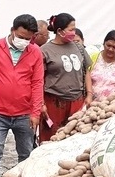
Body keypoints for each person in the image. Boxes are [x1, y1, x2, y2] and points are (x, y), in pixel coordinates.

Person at [0, 14, 43, 177]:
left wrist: (35, 112)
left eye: (28, 39)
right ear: (12, 30)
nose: (24, 41)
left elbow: (38, 83)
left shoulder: (35, 52)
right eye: (21, 37)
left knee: (26, 153)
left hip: (25, 113)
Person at [39, 13, 92, 142]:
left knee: (74, 138)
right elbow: (38, 79)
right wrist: (41, 103)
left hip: (77, 101)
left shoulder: (79, 47)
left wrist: (89, 94)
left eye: (74, 29)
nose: (73, 33)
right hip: (53, 103)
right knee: (51, 139)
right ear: (59, 31)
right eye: (71, 29)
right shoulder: (44, 50)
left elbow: (87, 71)